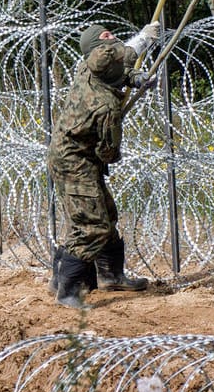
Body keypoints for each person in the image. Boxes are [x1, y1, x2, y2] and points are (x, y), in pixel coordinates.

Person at [45, 20, 162, 308]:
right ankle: (68, 289)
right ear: (100, 51)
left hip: (72, 157)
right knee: (92, 223)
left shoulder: (87, 69)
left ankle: (110, 276)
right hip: (75, 161)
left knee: (104, 213)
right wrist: (143, 41)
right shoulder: (105, 105)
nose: (113, 43)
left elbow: (113, 68)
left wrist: (134, 79)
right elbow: (108, 151)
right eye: (107, 41)